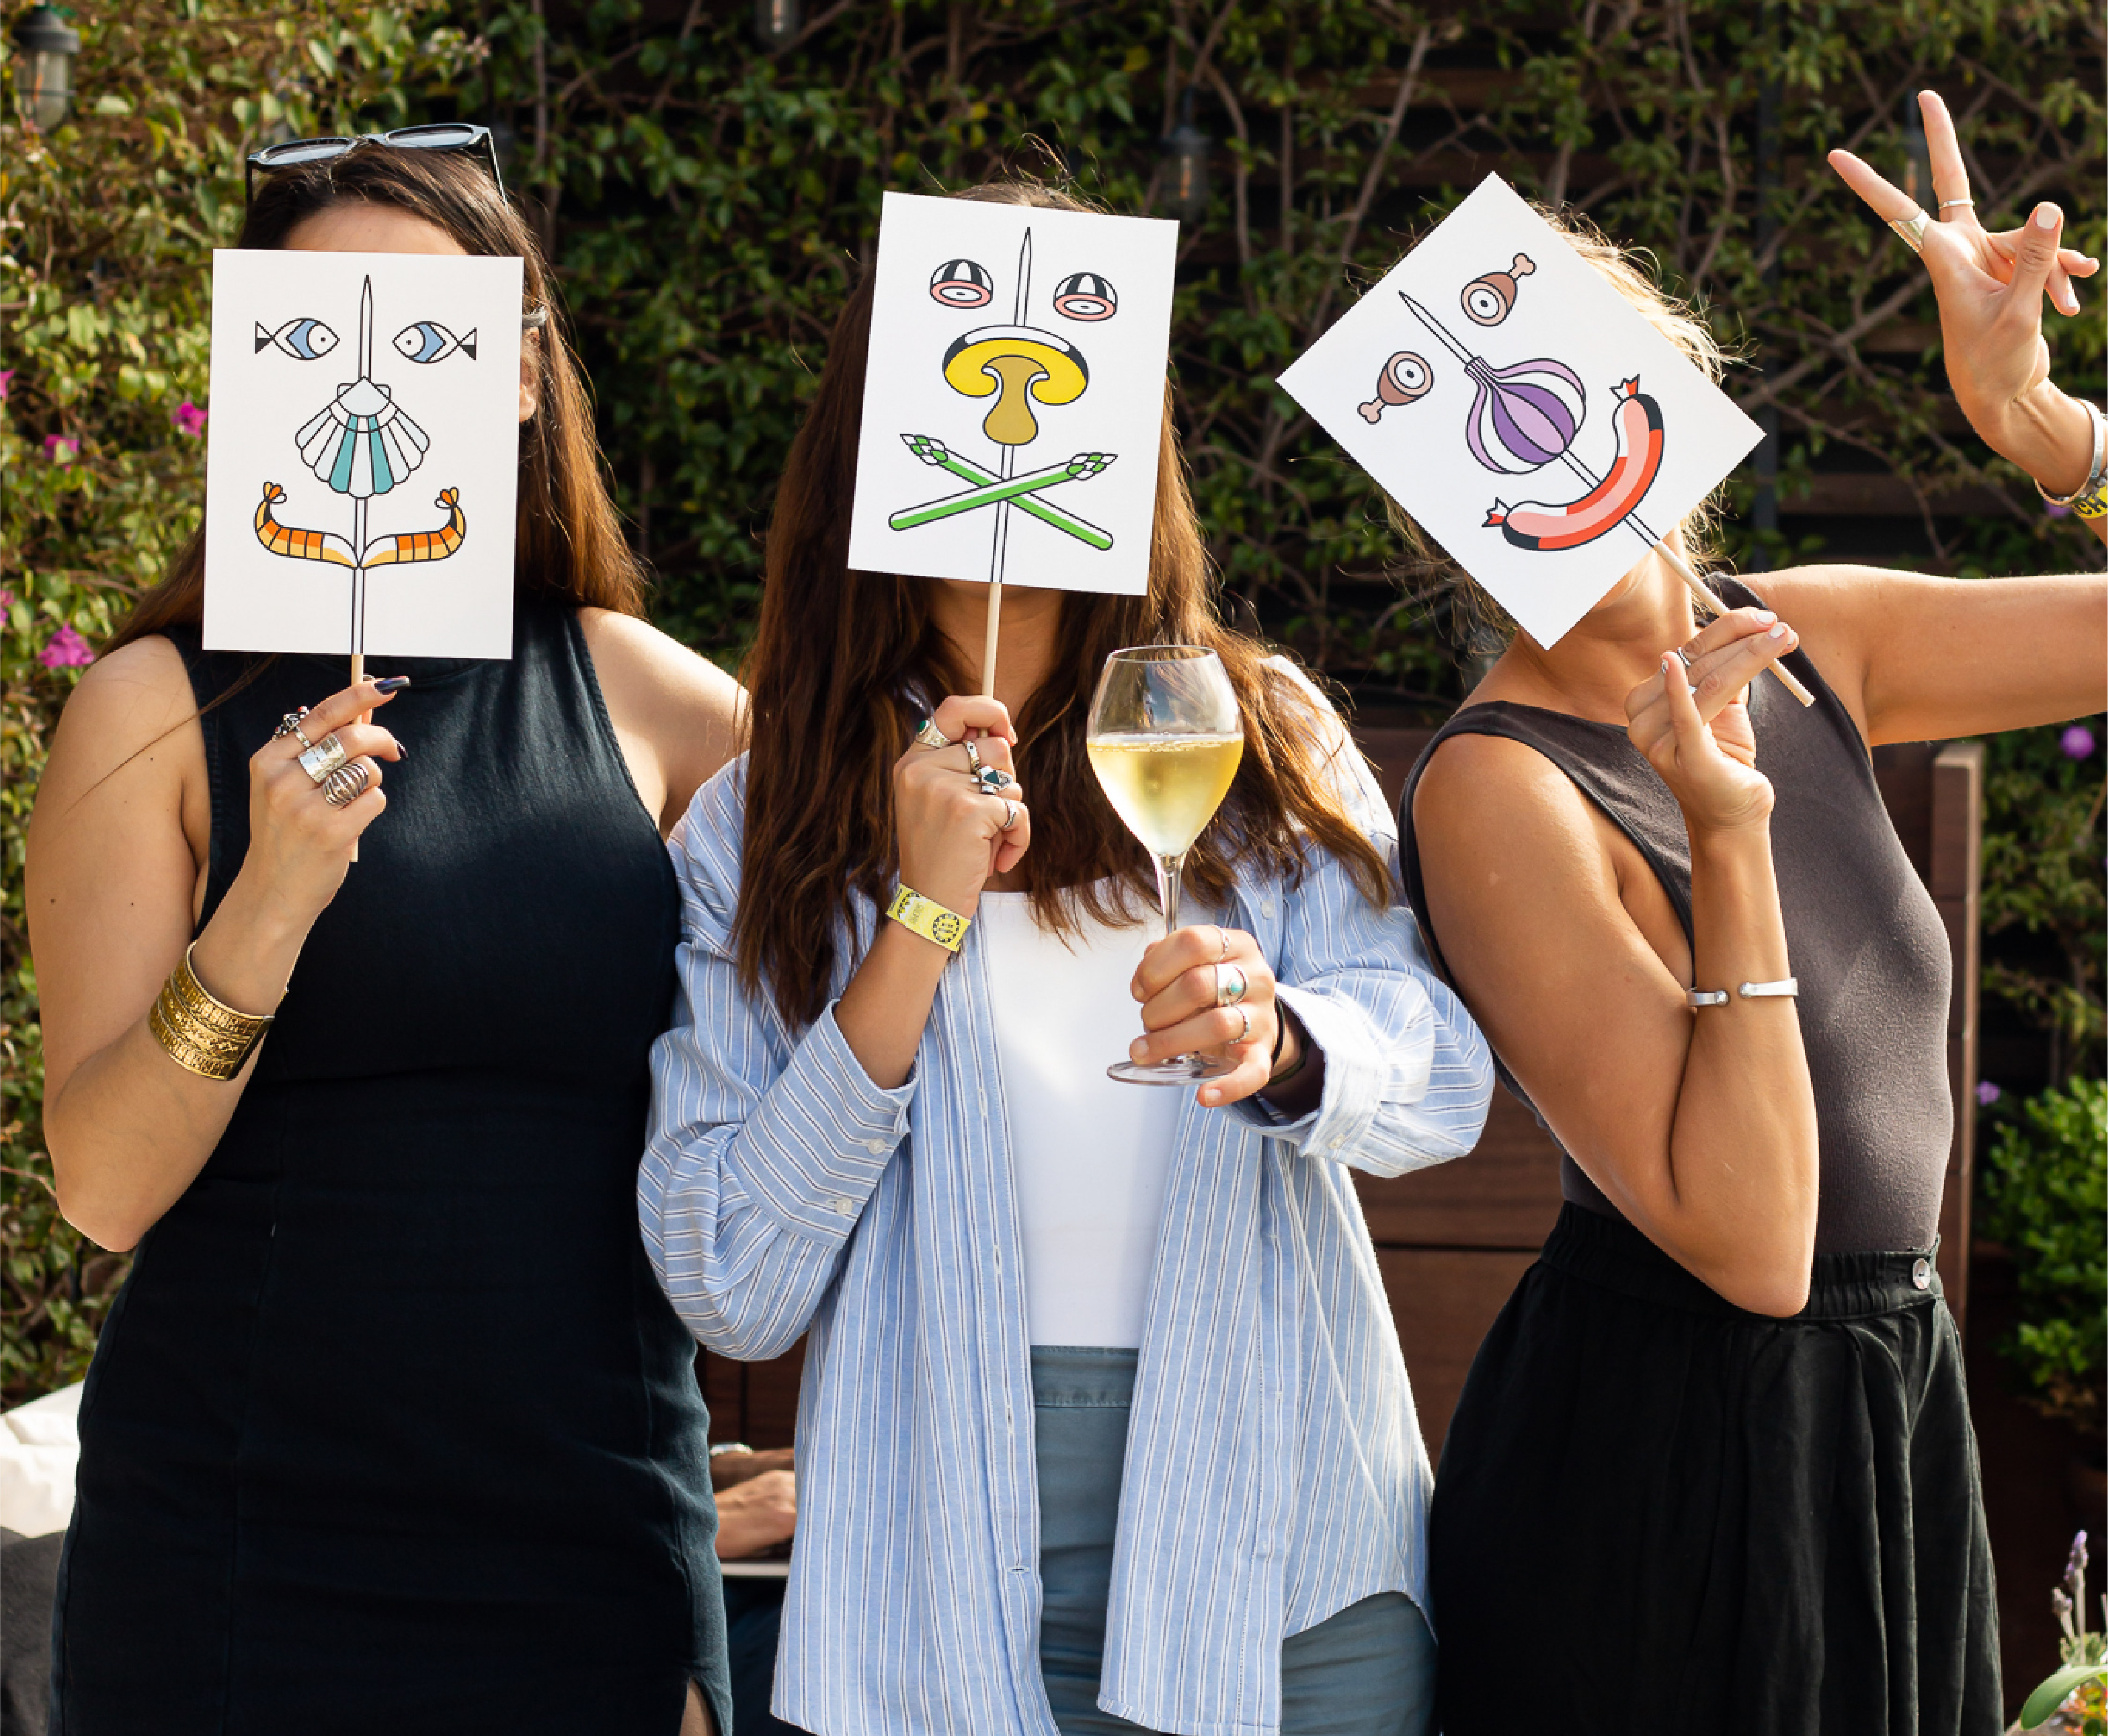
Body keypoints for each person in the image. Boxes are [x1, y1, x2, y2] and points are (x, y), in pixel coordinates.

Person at [638, 177, 1494, 1736]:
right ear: (869, 440)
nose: (1011, 418)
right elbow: (731, 1282)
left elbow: (1440, 1079)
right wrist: (917, 919)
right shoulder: (754, 822)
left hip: (1283, 1536)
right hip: (921, 1568)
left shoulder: (1261, 736)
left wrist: (1286, 1038)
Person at [28, 131, 747, 1736]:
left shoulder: (662, 708)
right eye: (316, 329)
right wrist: (270, 897)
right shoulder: (152, 712)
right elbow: (102, 1184)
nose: (381, 376)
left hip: (593, 1547)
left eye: (435, 334)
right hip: (236, 1559)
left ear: (518, 374)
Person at [1404, 92, 2105, 1734]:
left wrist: (2039, 423)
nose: (1540, 431)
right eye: (1476, 423)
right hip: (1667, 1465)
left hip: (1889, 1416)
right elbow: (1751, 1241)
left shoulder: (1817, 638)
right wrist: (1727, 836)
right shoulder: (1495, 783)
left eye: (1579, 376)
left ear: (1669, 380)